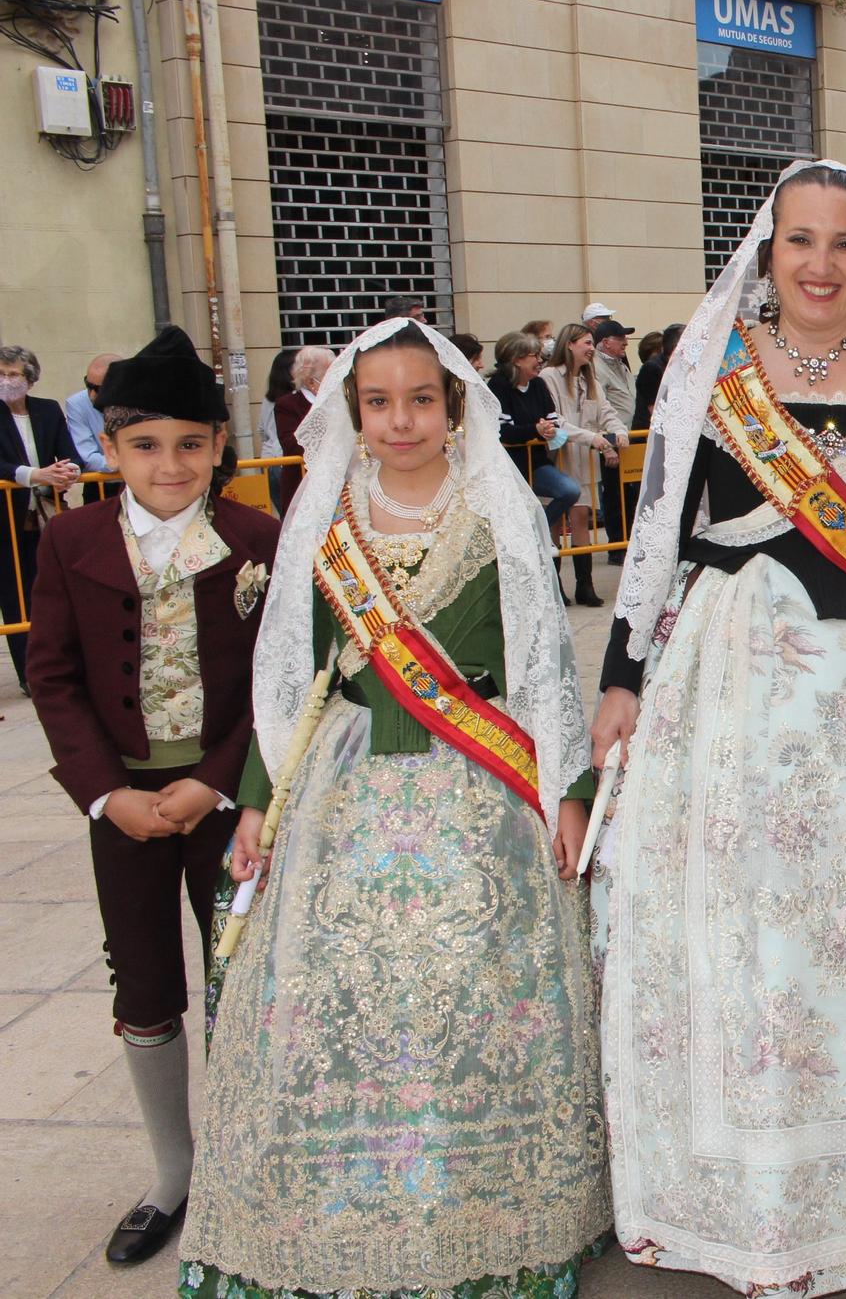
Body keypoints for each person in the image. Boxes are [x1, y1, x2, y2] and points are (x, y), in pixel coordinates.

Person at [589, 159, 846, 1296]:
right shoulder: (708, 366)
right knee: (747, 926)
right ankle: (743, 1183)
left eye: (842, 245)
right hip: (738, 679)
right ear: (767, 252)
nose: (818, 265)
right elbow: (658, 527)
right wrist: (621, 672)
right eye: (798, 241)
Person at [178, 318, 608, 1298]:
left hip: (480, 792)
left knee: (473, 998)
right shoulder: (325, 521)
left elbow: (544, 666)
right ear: (351, 412)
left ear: (455, 408)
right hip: (343, 787)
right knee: (338, 1004)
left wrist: (567, 793)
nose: (401, 419)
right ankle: (342, 1205)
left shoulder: (499, 511)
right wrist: (256, 805)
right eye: (380, 402)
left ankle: (486, 1212)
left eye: (422, 399)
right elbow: (286, 678)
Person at [25, 326, 280, 1268]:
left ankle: (249, 1163)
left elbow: (278, 678)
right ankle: (173, 1172)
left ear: (218, 445)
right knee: (143, 979)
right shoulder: (71, 538)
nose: (167, 464)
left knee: (243, 972)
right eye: (144, 444)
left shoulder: (257, 536)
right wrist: (103, 794)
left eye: (188, 443)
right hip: (123, 809)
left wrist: (217, 779)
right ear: (112, 448)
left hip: (228, 802)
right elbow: (52, 675)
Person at [2, 344, 83, 692]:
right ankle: (28, 675)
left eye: (14, 374)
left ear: (30, 379)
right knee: (15, 597)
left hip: (47, 515)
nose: (7, 381)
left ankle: (59, 664)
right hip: (7, 518)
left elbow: (70, 455)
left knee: (51, 591)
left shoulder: (48, 410)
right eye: (2, 374)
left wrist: (67, 471)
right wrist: (35, 475)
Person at [538, 322, 625, 606]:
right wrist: (593, 438)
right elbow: (555, 419)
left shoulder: (590, 381)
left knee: (581, 521)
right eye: (586, 343)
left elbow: (606, 412)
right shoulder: (549, 376)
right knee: (555, 523)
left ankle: (584, 585)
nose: (591, 349)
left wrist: (619, 433)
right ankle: (555, 587)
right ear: (569, 344)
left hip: (585, 461)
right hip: (559, 458)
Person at [487, 331, 582, 544]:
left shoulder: (538, 385)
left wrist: (550, 430)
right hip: (510, 467)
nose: (539, 361)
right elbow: (503, 432)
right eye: (534, 355)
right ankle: (526, 536)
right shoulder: (498, 386)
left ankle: (536, 529)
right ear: (517, 359)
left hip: (537, 462)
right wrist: (535, 430)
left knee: (569, 490)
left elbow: (552, 418)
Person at [591, 317, 638, 556]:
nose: (625, 343)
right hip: (610, 438)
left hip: (627, 435)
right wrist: (607, 445)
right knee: (613, 494)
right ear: (605, 342)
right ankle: (616, 545)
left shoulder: (621, 364)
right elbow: (601, 408)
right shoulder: (596, 367)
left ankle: (628, 540)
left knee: (629, 493)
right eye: (620, 339)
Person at [269, 346, 331, 516]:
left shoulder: (340, 403)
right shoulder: (288, 404)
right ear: (311, 382)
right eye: (330, 375)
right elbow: (291, 444)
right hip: (303, 486)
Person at [63, 353, 117, 474]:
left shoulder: (140, 400)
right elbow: (88, 458)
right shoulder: (77, 404)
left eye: (99, 389)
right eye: (88, 385)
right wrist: (130, 463)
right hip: (100, 484)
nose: (92, 395)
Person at [631, 322, 682, 436]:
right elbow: (656, 411)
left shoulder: (679, 368)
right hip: (648, 438)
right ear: (677, 346)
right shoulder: (652, 368)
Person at [255, 349, 298, 461]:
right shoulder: (295, 399)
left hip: (268, 457)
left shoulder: (268, 399)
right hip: (287, 459)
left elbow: (261, 430)